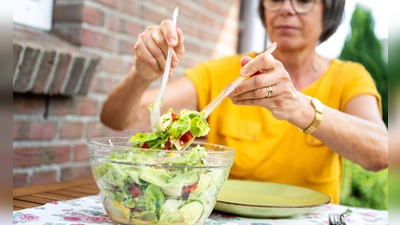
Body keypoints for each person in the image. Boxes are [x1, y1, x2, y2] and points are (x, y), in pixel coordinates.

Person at [100, 0, 388, 204]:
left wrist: (299, 107)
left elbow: (382, 153)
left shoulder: (348, 77)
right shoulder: (226, 73)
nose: (286, 7)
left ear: (329, 11)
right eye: (274, 0)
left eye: (303, 0)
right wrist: (141, 75)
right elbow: (118, 119)